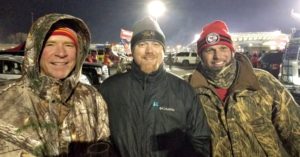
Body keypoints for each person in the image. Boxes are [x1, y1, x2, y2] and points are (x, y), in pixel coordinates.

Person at [0, 13, 110, 156]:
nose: (61, 53)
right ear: (36, 51)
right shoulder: (5, 100)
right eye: (50, 44)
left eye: (69, 45)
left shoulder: (92, 98)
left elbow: (102, 149)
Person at [99, 17, 211, 157]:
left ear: (163, 50)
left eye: (156, 44)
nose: (149, 51)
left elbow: (200, 141)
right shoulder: (110, 89)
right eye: (142, 44)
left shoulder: (183, 90)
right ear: (132, 50)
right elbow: (100, 140)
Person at [188, 20, 300, 157]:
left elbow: (294, 130)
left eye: (223, 48)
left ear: (232, 50)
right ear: (200, 55)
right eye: (209, 50)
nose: (217, 56)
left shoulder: (263, 82)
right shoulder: (188, 89)